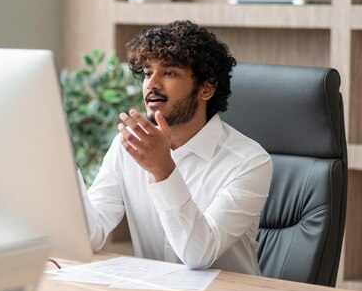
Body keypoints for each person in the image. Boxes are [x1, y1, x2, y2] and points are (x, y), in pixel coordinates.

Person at [77, 20, 272, 274]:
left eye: (169, 73)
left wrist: (163, 170)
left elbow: (199, 255)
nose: (152, 84)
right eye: (148, 73)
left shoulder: (249, 161)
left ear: (206, 88)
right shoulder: (128, 145)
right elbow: (88, 236)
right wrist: (62, 164)